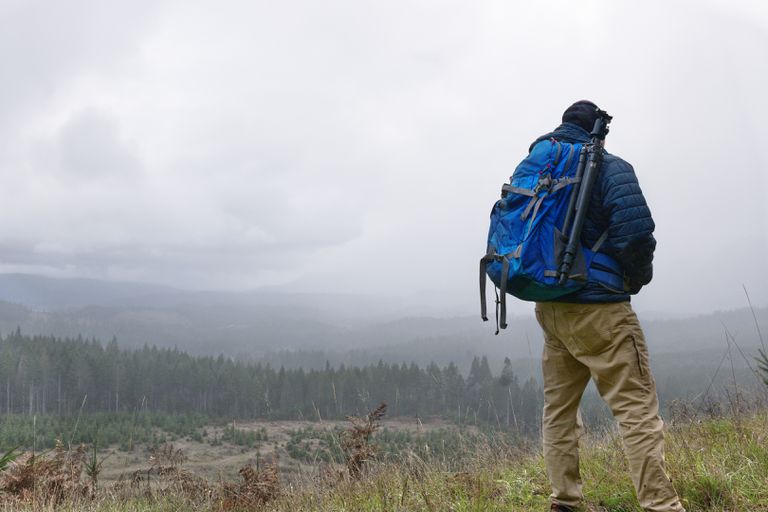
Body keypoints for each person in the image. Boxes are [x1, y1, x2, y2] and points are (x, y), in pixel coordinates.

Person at [533, 101, 685, 512]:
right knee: (635, 410)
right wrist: (634, 280)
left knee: (559, 412)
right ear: (598, 128)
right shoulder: (610, 166)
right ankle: (661, 506)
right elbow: (636, 236)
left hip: (551, 310)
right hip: (601, 311)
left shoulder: (539, 164)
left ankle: (565, 500)